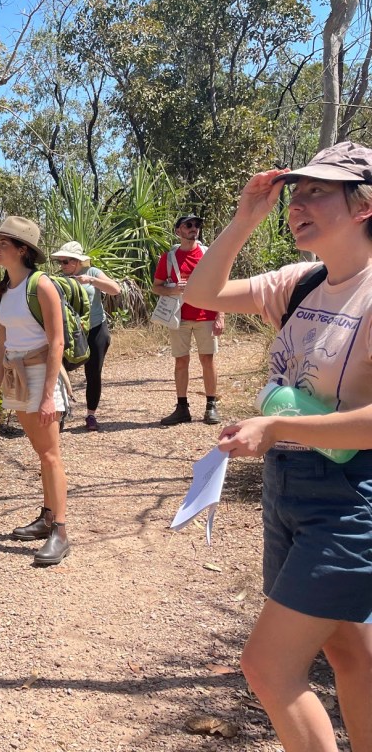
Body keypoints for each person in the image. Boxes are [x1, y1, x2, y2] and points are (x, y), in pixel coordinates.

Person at [184, 141, 372, 752]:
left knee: (268, 668)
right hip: (287, 491)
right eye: (297, 191)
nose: (298, 201)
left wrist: (278, 428)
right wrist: (244, 219)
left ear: (364, 204)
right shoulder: (302, 282)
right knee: (349, 649)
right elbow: (203, 293)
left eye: (319, 190)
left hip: (350, 502)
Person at [0, 216, 71, 565]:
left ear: (22, 250)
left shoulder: (42, 285)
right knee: (40, 451)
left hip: (40, 375)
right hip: (16, 376)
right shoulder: (2, 292)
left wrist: (50, 394)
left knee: (50, 454)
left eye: (4, 243)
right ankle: (47, 517)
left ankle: (60, 531)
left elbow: (57, 342)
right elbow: (2, 345)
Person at [153, 214, 225, 425]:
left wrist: (220, 315)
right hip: (179, 316)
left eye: (197, 225)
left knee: (207, 360)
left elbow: (220, 285)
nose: (194, 228)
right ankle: (182, 407)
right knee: (181, 361)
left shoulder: (208, 254)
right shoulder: (169, 258)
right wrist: (173, 289)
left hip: (206, 315)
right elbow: (155, 287)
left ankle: (211, 406)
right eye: (189, 225)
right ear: (178, 231)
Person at [50, 241, 122, 432]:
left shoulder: (93, 273)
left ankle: (91, 415)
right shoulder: (58, 279)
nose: (62, 266)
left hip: (96, 328)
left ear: (77, 262)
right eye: (61, 262)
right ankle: (61, 411)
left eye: (66, 262)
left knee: (93, 373)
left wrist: (91, 281)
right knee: (60, 370)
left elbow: (115, 289)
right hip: (71, 332)